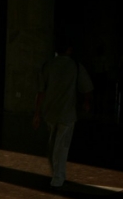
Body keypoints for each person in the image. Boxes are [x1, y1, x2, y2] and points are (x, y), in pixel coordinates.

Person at [33, 38, 94, 188]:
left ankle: (57, 173)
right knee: (62, 146)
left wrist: (37, 113)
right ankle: (58, 177)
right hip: (67, 112)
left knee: (53, 144)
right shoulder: (75, 66)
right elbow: (87, 88)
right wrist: (86, 102)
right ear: (69, 50)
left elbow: (41, 91)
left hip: (50, 111)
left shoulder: (48, 66)